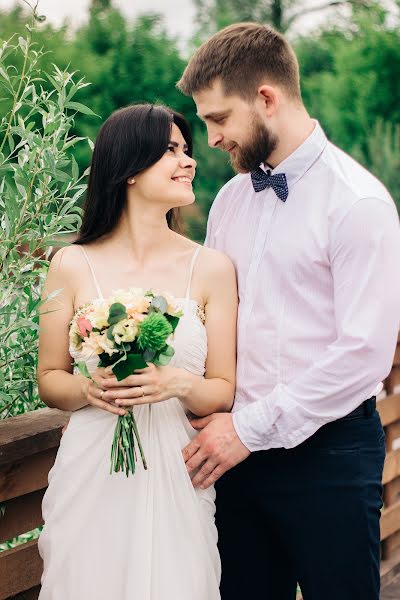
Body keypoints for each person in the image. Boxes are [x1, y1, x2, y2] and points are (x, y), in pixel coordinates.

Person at [177, 22, 400, 600]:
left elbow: (364, 354)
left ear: (267, 99)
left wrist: (248, 430)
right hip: (236, 459)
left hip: (329, 455)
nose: (212, 138)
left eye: (218, 118)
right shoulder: (229, 201)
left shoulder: (358, 203)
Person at [37, 103, 237, 600]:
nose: (188, 160)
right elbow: (49, 379)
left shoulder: (212, 268)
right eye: (171, 150)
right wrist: (87, 388)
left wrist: (178, 384)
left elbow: (223, 391)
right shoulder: (71, 263)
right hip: (92, 465)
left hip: (177, 466)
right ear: (128, 169)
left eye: (187, 150)